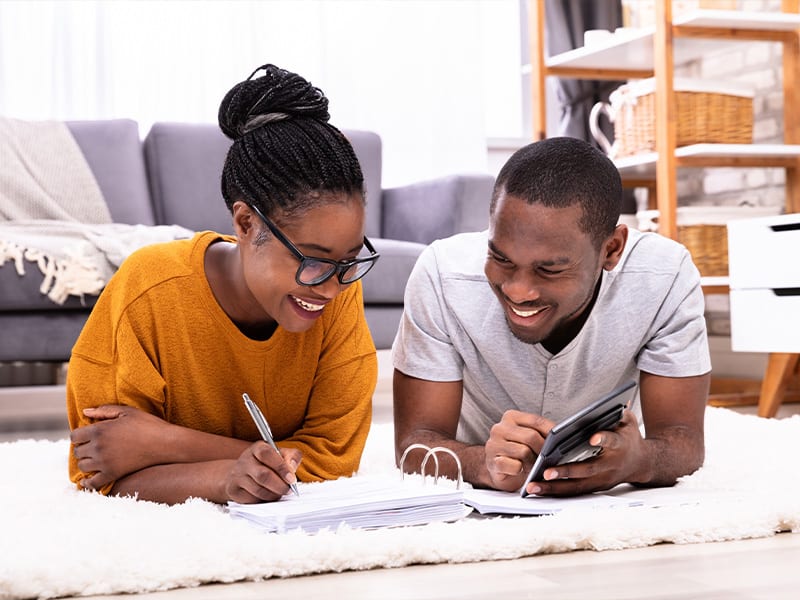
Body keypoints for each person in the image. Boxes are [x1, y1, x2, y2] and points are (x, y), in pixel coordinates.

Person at [67, 64, 379, 505]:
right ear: (246, 223)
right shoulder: (148, 290)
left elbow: (333, 461)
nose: (330, 288)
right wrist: (226, 475)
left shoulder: (335, 290)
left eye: (349, 261)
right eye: (311, 259)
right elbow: (98, 465)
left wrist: (168, 444)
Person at [392, 136, 710, 497]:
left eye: (549, 270)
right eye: (501, 259)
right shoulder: (441, 275)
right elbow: (414, 448)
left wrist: (638, 461)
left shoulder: (665, 276)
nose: (518, 290)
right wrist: (482, 463)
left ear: (612, 249)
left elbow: (683, 442)